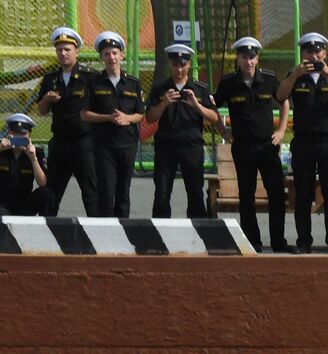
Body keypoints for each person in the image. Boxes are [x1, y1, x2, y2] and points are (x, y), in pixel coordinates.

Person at [215, 37, 290, 252]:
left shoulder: (269, 79)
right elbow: (212, 107)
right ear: (238, 59)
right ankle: (252, 241)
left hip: (267, 146)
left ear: (257, 59)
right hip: (243, 147)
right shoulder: (229, 82)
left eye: (252, 57)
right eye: (244, 57)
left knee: (276, 193)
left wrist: (281, 130)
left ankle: (278, 241)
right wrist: (223, 131)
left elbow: (284, 101)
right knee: (246, 195)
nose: (248, 61)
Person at [276, 32, 328, 254]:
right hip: (304, 142)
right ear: (303, 54)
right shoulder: (295, 75)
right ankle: (303, 241)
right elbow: (280, 96)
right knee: (303, 193)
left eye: (318, 51)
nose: (314, 56)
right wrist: (295, 75)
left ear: (324, 53)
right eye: (309, 51)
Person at [146, 43, 218, 219]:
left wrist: (196, 105)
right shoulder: (160, 89)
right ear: (170, 64)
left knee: (195, 193)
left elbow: (214, 117)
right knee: (162, 194)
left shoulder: (200, 89)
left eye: (183, 65)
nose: (179, 69)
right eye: (175, 64)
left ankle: (197, 232)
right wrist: (164, 103)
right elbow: (150, 117)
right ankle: (160, 232)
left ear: (189, 64)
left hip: (191, 147)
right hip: (166, 147)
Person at [81, 31, 144, 218]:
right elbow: (84, 115)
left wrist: (127, 118)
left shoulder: (133, 83)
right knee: (107, 192)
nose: (111, 58)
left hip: (127, 144)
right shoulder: (93, 83)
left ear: (121, 55)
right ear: (101, 58)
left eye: (115, 53)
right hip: (104, 146)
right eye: (107, 54)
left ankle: (124, 230)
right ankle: (106, 230)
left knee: (123, 193)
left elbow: (141, 114)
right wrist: (107, 118)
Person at [36, 27, 97, 216]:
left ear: (76, 51)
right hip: (60, 142)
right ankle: (47, 229)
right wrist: (47, 99)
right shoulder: (50, 79)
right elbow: (42, 111)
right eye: (59, 49)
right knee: (52, 191)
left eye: (67, 49)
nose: (63, 53)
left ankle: (97, 230)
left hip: (84, 142)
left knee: (91, 192)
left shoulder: (90, 77)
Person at [0, 114, 50, 216]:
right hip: (2, 204)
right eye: (15, 132)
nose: (18, 136)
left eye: (23, 133)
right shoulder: (1, 149)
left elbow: (42, 183)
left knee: (46, 193)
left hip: (24, 204)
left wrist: (33, 159)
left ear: (29, 135)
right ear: (8, 131)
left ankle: (46, 224)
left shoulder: (37, 152)